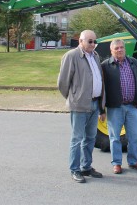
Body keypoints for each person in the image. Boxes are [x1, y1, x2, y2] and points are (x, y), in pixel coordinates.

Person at [58, 30, 104, 183]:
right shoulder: (71, 56)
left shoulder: (96, 56)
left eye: (94, 41)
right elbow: (63, 83)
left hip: (94, 103)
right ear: (81, 41)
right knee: (77, 139)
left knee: (90, 138)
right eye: (89, 41)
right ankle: (75, 169)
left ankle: (86, 167)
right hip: (79, 105)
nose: (92, 44)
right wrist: (74, 97)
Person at [101, 39, 137, 174]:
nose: (119, 50)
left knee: (135, 137)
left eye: (121, 47)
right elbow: (102, 88)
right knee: (115, 137)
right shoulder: (105, 66)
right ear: (111, 50)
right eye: (116, 48)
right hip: (115, 108)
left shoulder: (134, 63)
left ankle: (133, 161)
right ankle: (116, 163)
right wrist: (101, 108)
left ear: (125, 49)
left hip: (133, 107)